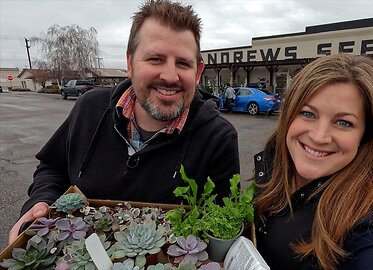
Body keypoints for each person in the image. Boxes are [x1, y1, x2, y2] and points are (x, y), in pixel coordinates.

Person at [8, 0, 240, 243]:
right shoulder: (90, 109)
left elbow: (221, 228)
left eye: (183, 63)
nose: (170, 76)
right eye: (155, 59)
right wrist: (39, 202)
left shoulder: (218, 138)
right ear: (130, 64)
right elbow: (53, 168)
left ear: (198, 72)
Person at [254, 54, 373, 270]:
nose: (319, 137)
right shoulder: (273, 167)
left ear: (366, 135)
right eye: (308, 113)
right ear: (288, 115)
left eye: (344, 122)